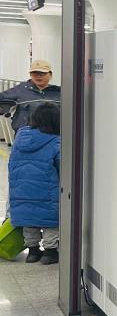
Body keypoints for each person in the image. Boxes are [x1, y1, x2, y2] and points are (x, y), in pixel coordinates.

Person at [8, 102, 61, 264]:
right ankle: (50, 252)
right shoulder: (56, 141)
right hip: (47, 190)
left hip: (21, 189)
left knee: (29, 220)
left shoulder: (20, 138)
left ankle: (32, 251)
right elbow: (62, 167)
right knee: (51, 221)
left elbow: (11, 163)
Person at [0, 60, 61, 133]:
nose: (38, 76)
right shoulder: (20, 89)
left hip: (53, 135)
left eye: (42, 73)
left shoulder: (59, 92)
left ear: (50, 74)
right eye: (35, 73)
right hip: (26, 135)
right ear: (30, 74)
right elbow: (2, 99)